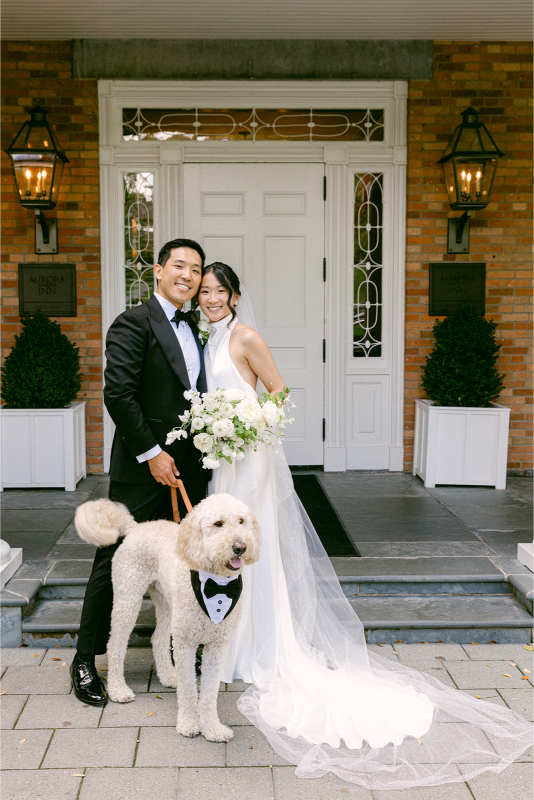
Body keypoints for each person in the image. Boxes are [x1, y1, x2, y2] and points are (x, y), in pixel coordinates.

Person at [196, 262, 532, 790]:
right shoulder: (208, 338)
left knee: (250, 548)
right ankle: (228, 641)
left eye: (220, 291)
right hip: (223, 457)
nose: (212, 298)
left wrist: (247, 428)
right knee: (222, 550)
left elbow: (279, 394)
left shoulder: (246, 337)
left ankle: (260, 647)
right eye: (206, 291)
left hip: (249, 455)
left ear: (236, 295)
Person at [71, 238, 210, 706]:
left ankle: (175, 652)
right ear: (157, 270)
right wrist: (151, 453)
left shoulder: (198, 328)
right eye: (178, 265)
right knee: (113, 563)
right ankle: (86, 661)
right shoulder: (133, 322)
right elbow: (119, 395)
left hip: (190, 468)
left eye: (195, 269)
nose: (187, 275)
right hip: (142, 467)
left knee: (184, 561)